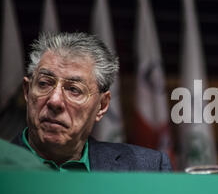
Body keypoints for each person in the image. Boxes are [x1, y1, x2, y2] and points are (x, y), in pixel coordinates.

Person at [11, 32, 172, 172]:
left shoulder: (146, 169)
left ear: (102, 106)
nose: (55, 101)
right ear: (27, 90)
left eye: (74, 89)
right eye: (44, 84)